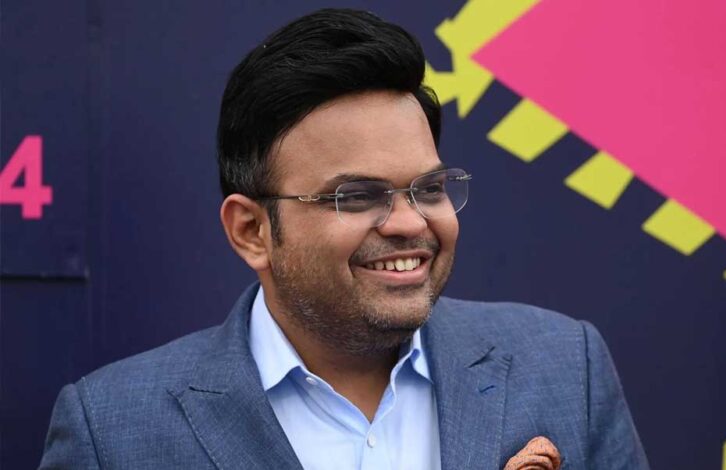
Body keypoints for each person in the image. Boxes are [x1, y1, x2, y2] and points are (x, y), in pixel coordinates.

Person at [39, 8, 649, 470]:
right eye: (356, 197)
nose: (409, 222)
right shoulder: (113, 433)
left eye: (429, 187)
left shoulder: (565, 367)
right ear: (251, 231)